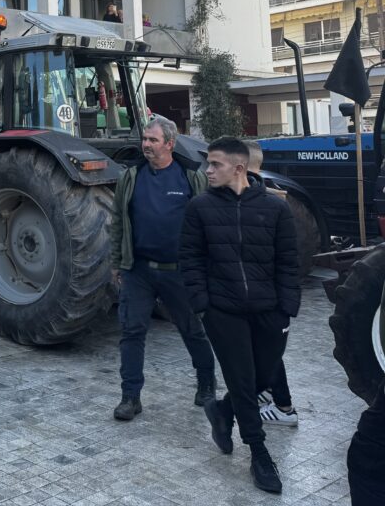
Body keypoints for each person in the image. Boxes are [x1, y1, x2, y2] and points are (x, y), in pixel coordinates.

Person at [180, 137, 300, 494]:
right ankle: (259, 453)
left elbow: (289, 263)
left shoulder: (275, 209)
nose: (207, 170)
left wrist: (286, 308)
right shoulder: (199, 208)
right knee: (243, 382)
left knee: (263, 377)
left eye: (214, 164)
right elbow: (190, 260)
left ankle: (222, 411)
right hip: (223, 312)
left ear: (238, 168)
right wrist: (204, 305)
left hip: (269, 312)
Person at [109, 117, 216, 421]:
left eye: (153, 140)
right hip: (138, 270)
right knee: (131, 333)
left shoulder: (190, 177)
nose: (146, 145)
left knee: (193, 330)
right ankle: (130, 397)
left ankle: (206, 385)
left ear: (170, 144)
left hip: (179, 271)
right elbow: (118, 222)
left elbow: (206, 224)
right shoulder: (130, 177)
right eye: (144, 139)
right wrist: (117, 263)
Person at [244, 140, 299, 427]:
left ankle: (284, 407)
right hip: (266, 295)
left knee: (268, 350)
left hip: (266, 297)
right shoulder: (274, 200)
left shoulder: (266, 205)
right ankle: (265, 391)